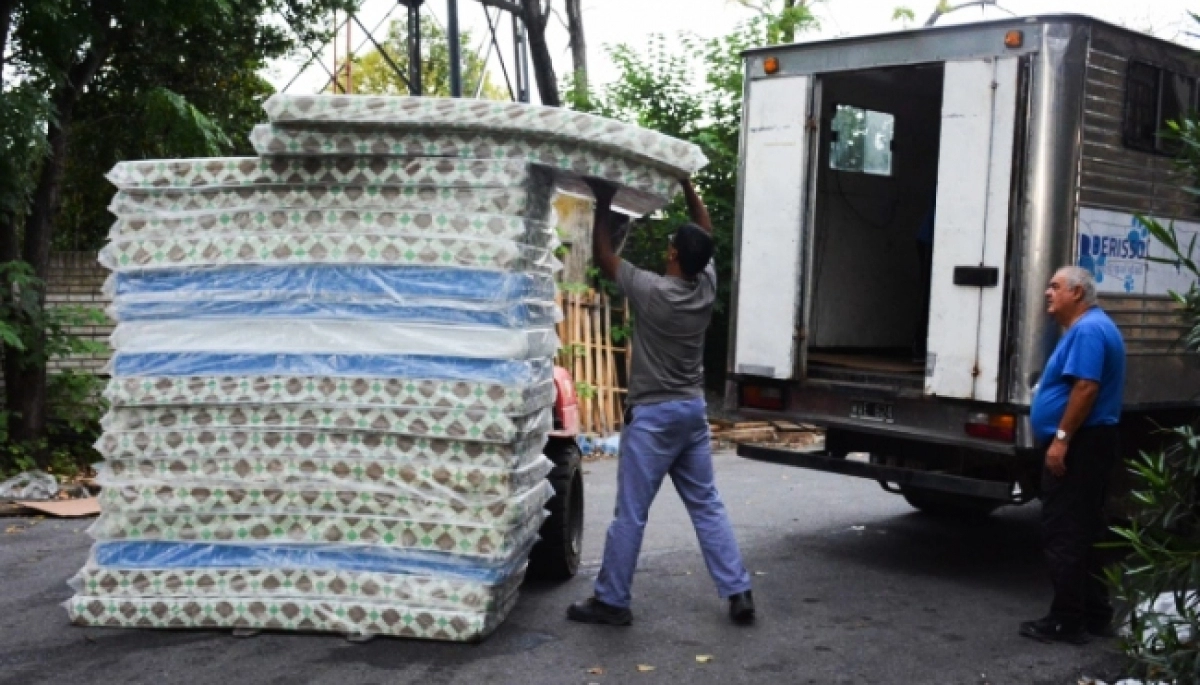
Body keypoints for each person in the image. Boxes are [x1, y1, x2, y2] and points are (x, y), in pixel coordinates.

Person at [566, 177, 754, 627]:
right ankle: (738, 591)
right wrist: (687, 182)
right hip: (691, 413)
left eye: (671, 243)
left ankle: (612, 601)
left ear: (673, 255)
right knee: (706, 504)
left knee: (631, 513)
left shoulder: (652, 292)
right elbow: (703, 232)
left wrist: (604, 199)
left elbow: (605, 258)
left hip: (653, 417)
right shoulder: (705, 286)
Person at [1020, 266, 1126, 644]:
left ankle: (1066, 619)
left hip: (1083, 443)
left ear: (1077, 293)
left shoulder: (1088, 330)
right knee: (1086, 529)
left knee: (1064, 530)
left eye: (1055, 287)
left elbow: (1085, 388)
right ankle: (1095, 614)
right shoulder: (1090, 327)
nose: (1048, 293)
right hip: (1091, 441)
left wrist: (1061, 439)